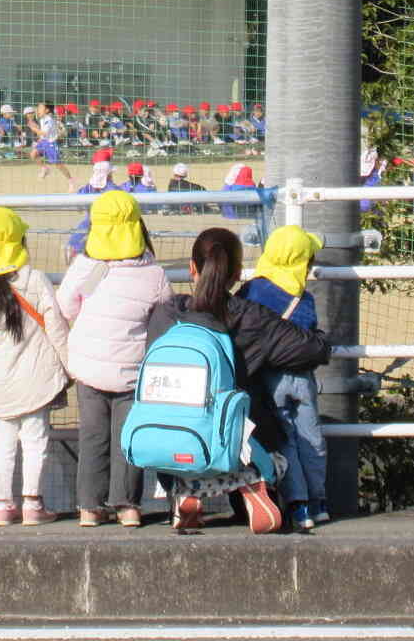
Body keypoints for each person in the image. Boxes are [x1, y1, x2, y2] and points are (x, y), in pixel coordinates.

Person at [143, 226, 314, 534]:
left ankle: (185, 489)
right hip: (237, 445)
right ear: (236, 274)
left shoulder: (167, 314)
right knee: (268, 432)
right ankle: (254, 482)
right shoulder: (251, 316)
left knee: (180, 432)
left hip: (175, 443)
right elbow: (311, 349)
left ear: (192, 268)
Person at [56, 190, 173, 527]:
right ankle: (128, 505)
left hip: (90, 367)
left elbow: (65, 307)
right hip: (132, 370)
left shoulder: (86, 267)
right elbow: (163, 315)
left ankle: (89, 506)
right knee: (128, 437)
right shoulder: (153, 273)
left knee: (93, 436)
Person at [0, 208, 69, 528]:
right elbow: (56, 327)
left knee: (3, 442)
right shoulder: (33, 279)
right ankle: (33, 503)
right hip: (35, 376)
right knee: (35, 439)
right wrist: (69, 365)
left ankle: (2, 505)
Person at [240, 226, 330, 530]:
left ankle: (298, 505)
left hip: (268, 378)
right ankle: (319, 501)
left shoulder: (251, 292)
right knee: (312, 439)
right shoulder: (304, 299)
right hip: (302, 378)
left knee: (285, 440)